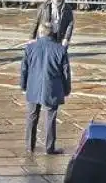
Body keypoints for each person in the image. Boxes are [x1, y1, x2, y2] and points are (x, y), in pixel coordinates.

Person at [21, 22, 71, 155]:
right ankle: (49, 147)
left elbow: (24, 69)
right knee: (50, 118)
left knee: (32, 116)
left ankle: (29, 146)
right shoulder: (60, 49)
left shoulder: (30, 48)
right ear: (53, 33)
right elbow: (66, 73)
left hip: (33, 86)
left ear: (40, 32)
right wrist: (66, 89)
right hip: (52, 87)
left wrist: (23, 85)